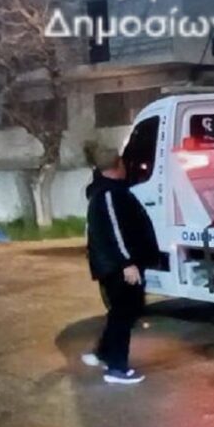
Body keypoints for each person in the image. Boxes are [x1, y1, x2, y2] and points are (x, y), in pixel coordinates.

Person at [82, 146, 160, 385]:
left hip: (117, 265)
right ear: (118, 165)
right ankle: (116, 368)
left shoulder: (110, 191)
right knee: (124, 313)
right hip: (118, 267)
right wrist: (127, 263)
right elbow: (115, 232)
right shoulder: (109, 194)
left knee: (124, 311)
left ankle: (104, 353)